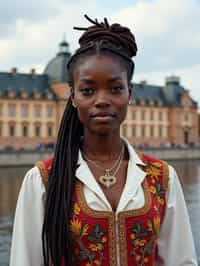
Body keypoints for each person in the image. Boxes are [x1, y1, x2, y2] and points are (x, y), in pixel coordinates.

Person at [10, 15, 197, 266]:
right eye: (88, 90)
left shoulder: (163, 178)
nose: (101, 99)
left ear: (130, 94)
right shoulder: (42, 181)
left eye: (115, 88)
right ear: (73, 97)